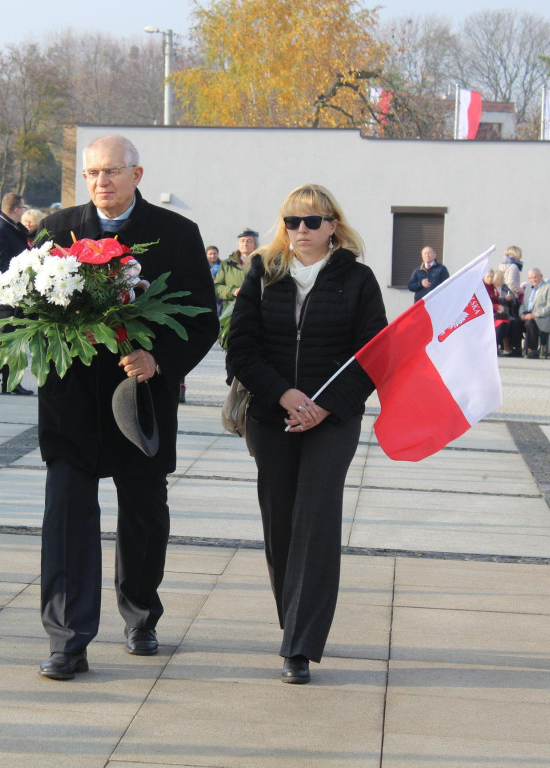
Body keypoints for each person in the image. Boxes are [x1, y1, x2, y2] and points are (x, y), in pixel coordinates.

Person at [35, 135, 219, 680]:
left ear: (137, 175)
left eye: (112, 171)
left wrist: (159, 359)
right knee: (66, 516)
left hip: (139, 401)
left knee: (142, 514)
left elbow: (202, 320)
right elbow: (23, 307)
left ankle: (140, 613)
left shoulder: (176, 233)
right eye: (92, 173)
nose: (101, 182)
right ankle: (67, 639)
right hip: (71, 402)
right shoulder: (55, 230)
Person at [226, 184, 387, 685]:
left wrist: (323, 407)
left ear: (333, 225)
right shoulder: (263, 271)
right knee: (280, 525)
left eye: (312, 221)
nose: (301, 230)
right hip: (271, 417)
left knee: (315, 522)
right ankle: (292, 621)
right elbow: (241, 348)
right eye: (292, 221)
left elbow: (372, 356)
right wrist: (285, 395)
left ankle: (299, 645)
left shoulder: (357, 279)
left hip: (332, 422)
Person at [0, 192, 33, 395]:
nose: (24, 212)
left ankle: (11, 382)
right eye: (23, 208)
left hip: (18, 294)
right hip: (6, 294)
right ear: (16, 209)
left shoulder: (13, 228)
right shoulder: (0, 230)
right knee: (4, 340)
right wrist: (21, 271)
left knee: (15, 341)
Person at [214, 228, 257, 348]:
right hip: (232, 313)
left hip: (256, 313)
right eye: (242, 241)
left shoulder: (263, 262)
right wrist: (233, 291)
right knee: (233, 347)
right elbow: (216, 287)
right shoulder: (227, 264)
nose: (245, 243)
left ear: (255, 244)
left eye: (249, 241)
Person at [514, 268, 550, 359]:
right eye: (530, 278)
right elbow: (523, 304)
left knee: (531, 322)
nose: (533, 280)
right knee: (515, 323)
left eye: (535, 277)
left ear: (541, 276)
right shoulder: (528, 288)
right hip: (528, 314)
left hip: (542, 317)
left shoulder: (549, 287)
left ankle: (532, 350)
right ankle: (517, 349)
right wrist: (521, 314)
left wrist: (534, 315)